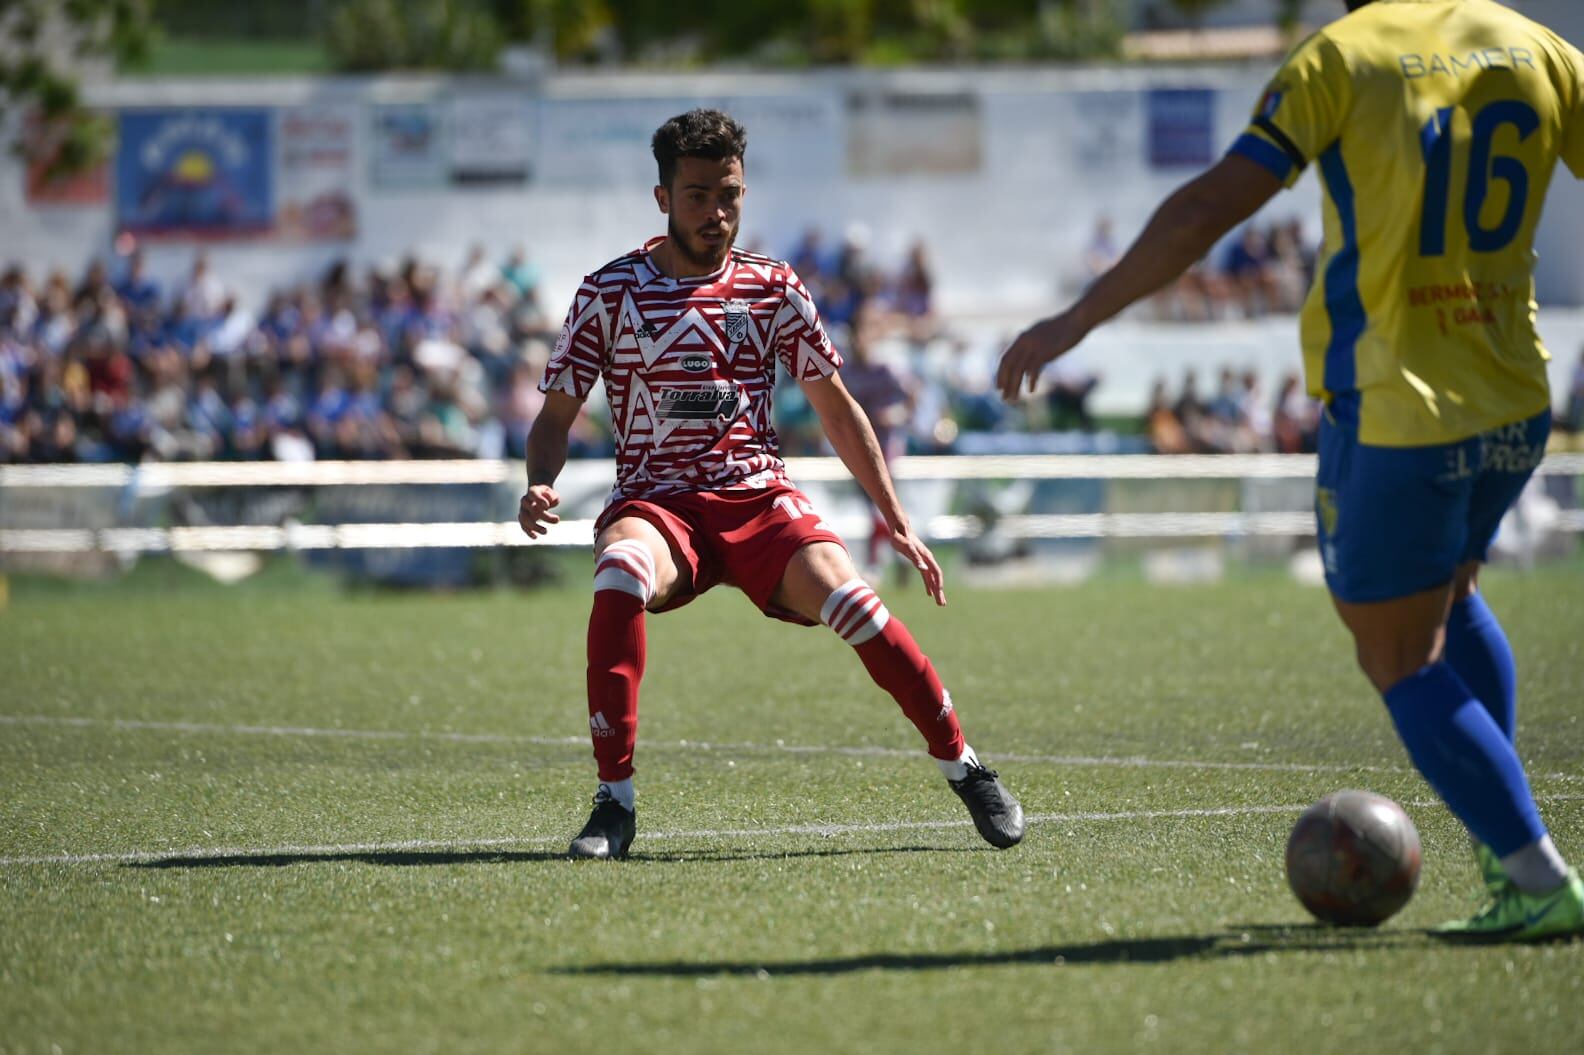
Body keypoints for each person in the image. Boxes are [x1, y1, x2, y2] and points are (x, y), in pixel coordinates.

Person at [997, 0, 1584, 941]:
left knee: (1397, 652)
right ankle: (1503, 852)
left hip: (1401, 403)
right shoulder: (1542, 46)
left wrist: (1075, 321)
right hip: (1516, 396)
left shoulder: (1342, 56)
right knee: (1454, 594)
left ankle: (1535, 874)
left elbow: (1204, 209)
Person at [519, 108, 1023, 860]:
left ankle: (966, 766)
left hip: (758, 497)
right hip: (658, 505)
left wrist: (898, 520)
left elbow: (839, 411)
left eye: (729, 195)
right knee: (621, 568)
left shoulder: (773, 287)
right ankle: (613, 802)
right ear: (662, 198)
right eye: (696, 196)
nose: (715, 214)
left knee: (854, 599)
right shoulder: (608, 292)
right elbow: (555, 417)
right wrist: (540, 481)